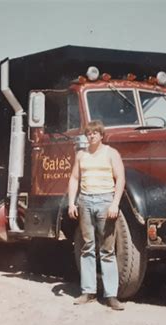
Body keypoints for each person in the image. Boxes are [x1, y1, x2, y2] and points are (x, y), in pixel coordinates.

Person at [68, 120, 126, 311]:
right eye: (88, 133)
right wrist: (71, 203)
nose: (91, 136)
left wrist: (115, 203)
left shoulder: (111, 154)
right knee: (87, 247)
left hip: (105, 202)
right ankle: (88, 291)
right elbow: (74, 178)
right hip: (85, 202)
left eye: (95, 133)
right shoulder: (81, 155)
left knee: (107, 250)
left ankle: (111, 296)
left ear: (101, 135)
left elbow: (120, 179)